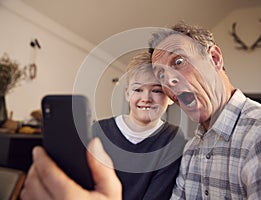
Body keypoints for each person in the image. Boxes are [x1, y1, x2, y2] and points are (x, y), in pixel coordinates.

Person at [148, 21, 261, 199]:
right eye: (161, 74)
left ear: (214, 58)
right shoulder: (191, 149)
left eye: (179, 61)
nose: (169, 80)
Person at [20, 51, 186, 200]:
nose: (146, 98)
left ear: (170, 96)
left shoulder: (173, 138)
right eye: (138, 90)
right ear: (127, 94)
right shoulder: (98, 130)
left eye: (157, 91)